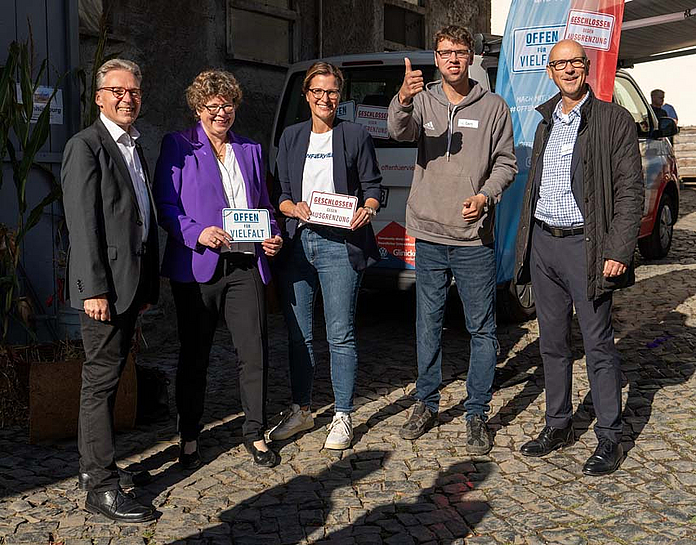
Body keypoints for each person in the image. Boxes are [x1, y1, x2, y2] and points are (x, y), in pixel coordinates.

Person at [514, 40, 643, 475]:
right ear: (550, 72)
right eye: (559, 65)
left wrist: (618, 249)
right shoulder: (546, 120)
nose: (567, 70)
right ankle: (559, 423)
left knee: (597, 344)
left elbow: (630, 191)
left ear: (586, 68)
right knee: (551, 343)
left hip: (587, 246)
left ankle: (610, 437)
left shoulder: (613, 119)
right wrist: (527, 244)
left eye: (575, 63)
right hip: (544, 244)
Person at [387, 25, 517, 454]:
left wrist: (485, 195)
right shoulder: (421, 100)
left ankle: (477, 411)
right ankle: (426, 401)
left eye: (460, 52)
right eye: (445, 53)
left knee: (481, 328)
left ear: (470, 58)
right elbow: (398, 132)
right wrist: (403, 99)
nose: (453, 59)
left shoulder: (494, 106)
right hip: (428, 232)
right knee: (428, 324)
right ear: (436, 58)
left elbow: (506, 163)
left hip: (472, 238)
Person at [153, 70, 283, 469]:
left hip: (245, 263)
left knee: (254, 352)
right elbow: (167, 207)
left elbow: (264, 203)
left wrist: (272, 234)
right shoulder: (179, 146)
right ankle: (189, 436)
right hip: (197, 267)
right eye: (212, 106)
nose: (221, 113)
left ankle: (255, 432)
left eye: (227, 105)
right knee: (195, 355)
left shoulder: (251, 149)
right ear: (198, 108)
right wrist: (197, 232)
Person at [62, 59, 158, 522]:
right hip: (105, 289)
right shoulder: (86, 146)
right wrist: (93, 289)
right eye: (117, 90)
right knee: (99, 383)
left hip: (129, 285)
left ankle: (94, 468)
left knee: (107, 378)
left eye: (134, 91)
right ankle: (99, 488)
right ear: (98, 96)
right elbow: (83, 226)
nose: (127, 98)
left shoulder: (133, 146)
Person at [268, 61, 382, 450]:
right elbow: (280, 194)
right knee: (299, 335)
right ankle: (301, 410)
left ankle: (343, 415)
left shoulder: (355, 135)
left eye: (332, 91)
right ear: (306, 95)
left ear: (341, 95)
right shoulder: (291, 136)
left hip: (339, 244)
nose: (325, 98)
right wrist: (291, 208)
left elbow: (373, 187)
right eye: (317, 91)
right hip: (299, 243)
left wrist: (367, 208)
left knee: (340, 334)